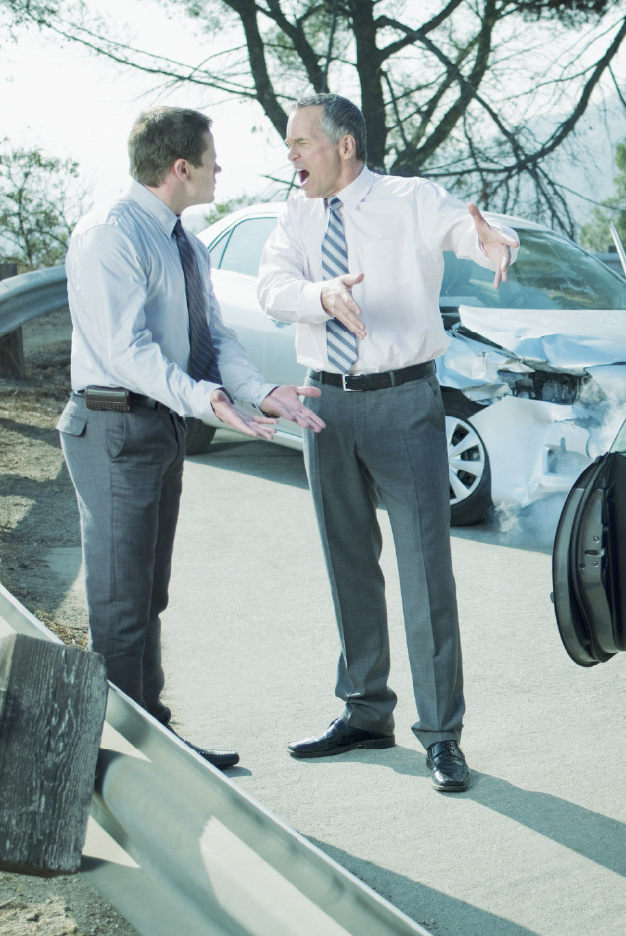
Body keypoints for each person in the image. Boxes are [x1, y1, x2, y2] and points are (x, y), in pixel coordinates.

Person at [256, 93, 518, 793]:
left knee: (425, 571)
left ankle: (441, 736)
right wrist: (321, 296)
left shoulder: (409, 199)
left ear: (344, 146)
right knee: (348, 563)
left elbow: (465, 232)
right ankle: (365, 711)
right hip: (325, 403)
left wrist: (492, 241)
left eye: (302, 143)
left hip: (405, 402)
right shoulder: (294, 215)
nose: (291, 156)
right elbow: (272, 287)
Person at [60, 106, 325, 770]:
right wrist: (204, 398)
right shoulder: (108, 236)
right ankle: (113, 764)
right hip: (115, 424)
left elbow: (212, 340)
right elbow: (127, 350)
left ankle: (149, 735)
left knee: (149, 593)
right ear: (181, 167)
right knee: (120, 605)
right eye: (211, 158)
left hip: (159, 423)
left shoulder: (185, 242)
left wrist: (258, 391)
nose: (219, 169)